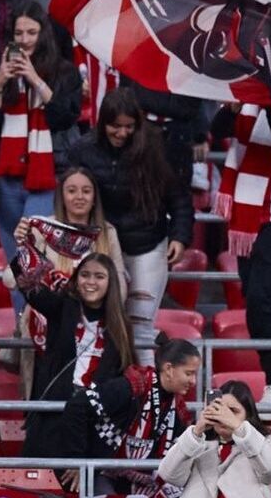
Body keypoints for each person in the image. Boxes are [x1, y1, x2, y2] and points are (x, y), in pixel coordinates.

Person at [64, 89, 193, 362]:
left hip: (146, 244)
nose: (122, 133)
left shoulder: (158, 147)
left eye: (129, 127)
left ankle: (144, 391)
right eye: (116, 126)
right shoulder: (82, 150)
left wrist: (180, 237)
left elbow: (179, 197)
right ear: (103, 124)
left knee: (141, 327)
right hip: (102, 245)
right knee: (96, 324)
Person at [10, 166, 125, 397]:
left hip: (95, 325)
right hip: (46, 325)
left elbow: (120, 287)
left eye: (86, 191)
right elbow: (10, 280)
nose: (79, 197)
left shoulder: (107, 233)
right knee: (43, 395)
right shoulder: (42, 228)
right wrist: (23, 245)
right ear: (62, 196)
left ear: (95, 198)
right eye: (72, 190)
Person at [0, 2, 82, 264]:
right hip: (6, 178)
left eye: (31, 32)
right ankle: (20, 308)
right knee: (16, 261)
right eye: (18, 33)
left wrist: (36, 80)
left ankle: (35, 307)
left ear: (43, 34)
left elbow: (65, 118)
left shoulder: (64, 72)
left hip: (48, 175)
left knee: (34, 254)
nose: (24, 40)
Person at [17, 252, 132, 458]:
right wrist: (22, 247)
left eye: (99, 276)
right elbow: (29, 288)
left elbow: (122, 375)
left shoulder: (121, 325)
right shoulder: (62, 306)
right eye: (85, 275)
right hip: (53, 417)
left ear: (111, 281)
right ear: (76, 279)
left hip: (92, 421)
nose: (90, 282)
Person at [58, 335, 200, 495]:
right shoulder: (130, 387)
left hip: (145, 480)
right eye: (189, 373)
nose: (194, 381)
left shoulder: (178, 408)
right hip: (103, 472)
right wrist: (77, 460)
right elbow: (77, 406)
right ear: (169, 369)